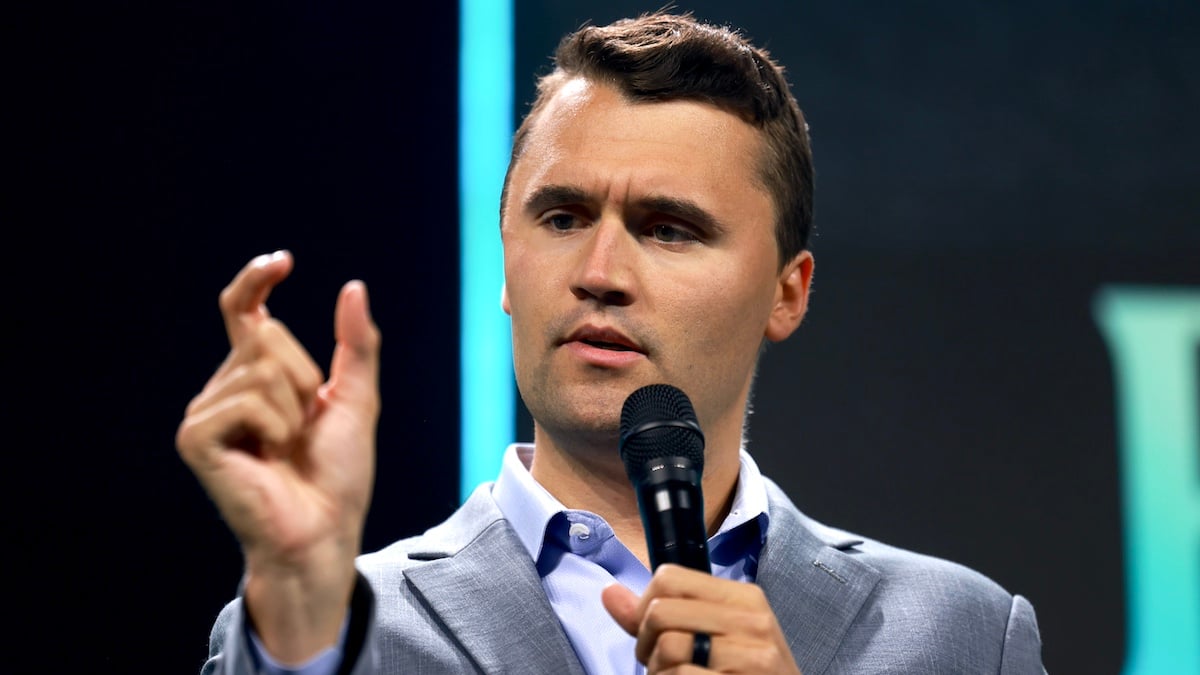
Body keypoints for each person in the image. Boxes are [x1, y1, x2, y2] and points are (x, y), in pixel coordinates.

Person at [177, 11, 1045, 674]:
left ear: (788, 292)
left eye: (669, 229)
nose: (600, 271)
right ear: (508, 271)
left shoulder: (963, 636)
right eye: (562, 217)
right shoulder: (324, 631)